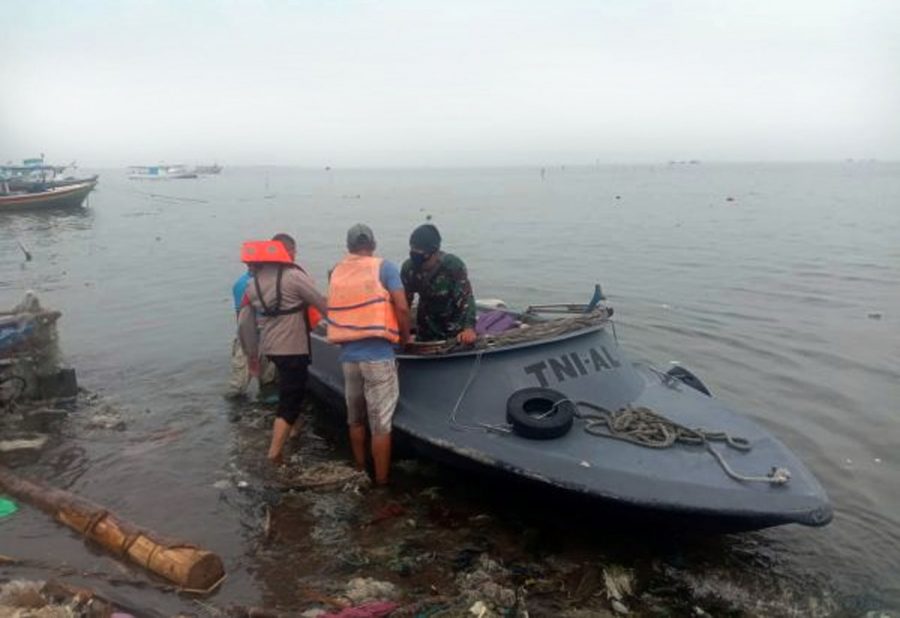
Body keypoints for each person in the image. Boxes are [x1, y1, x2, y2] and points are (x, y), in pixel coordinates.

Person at [327, 224, 410, 485]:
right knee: (381, 425)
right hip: (378, 355)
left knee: (355, 418)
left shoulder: (337, 272)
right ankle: (381, 483)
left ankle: (360, 469)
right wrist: (405, 339)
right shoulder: (384, 267)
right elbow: (403, 308)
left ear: (349, 247)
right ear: (373, 244)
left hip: (349, 357)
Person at [238, 233, 328, 464]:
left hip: (271, 348)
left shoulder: (252, 283)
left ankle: (295, 433)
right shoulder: (294, 277)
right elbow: (322, 304)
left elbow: (244, 322)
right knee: (290, 399)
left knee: (290, 390)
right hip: (294, 348)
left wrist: (252, 355)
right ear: (288, 252)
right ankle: (274, 455)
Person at [400, 223, 477, 344]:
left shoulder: (453, 266)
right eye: (414, 255)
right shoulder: (409, 268)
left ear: (435, 252)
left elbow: (466, 298)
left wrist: (469, 328)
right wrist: (402, 333)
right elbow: (403, 304)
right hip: (426, 328)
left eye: (422, 257)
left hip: (454, 330)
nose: (418, 262)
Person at [226, 268, 276, 398]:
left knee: (268, 383)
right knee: (238, 387)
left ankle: (265, 412)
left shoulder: (274, 280)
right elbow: (242, 320)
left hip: (268, 338)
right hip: (250, 339)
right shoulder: (243, 284)